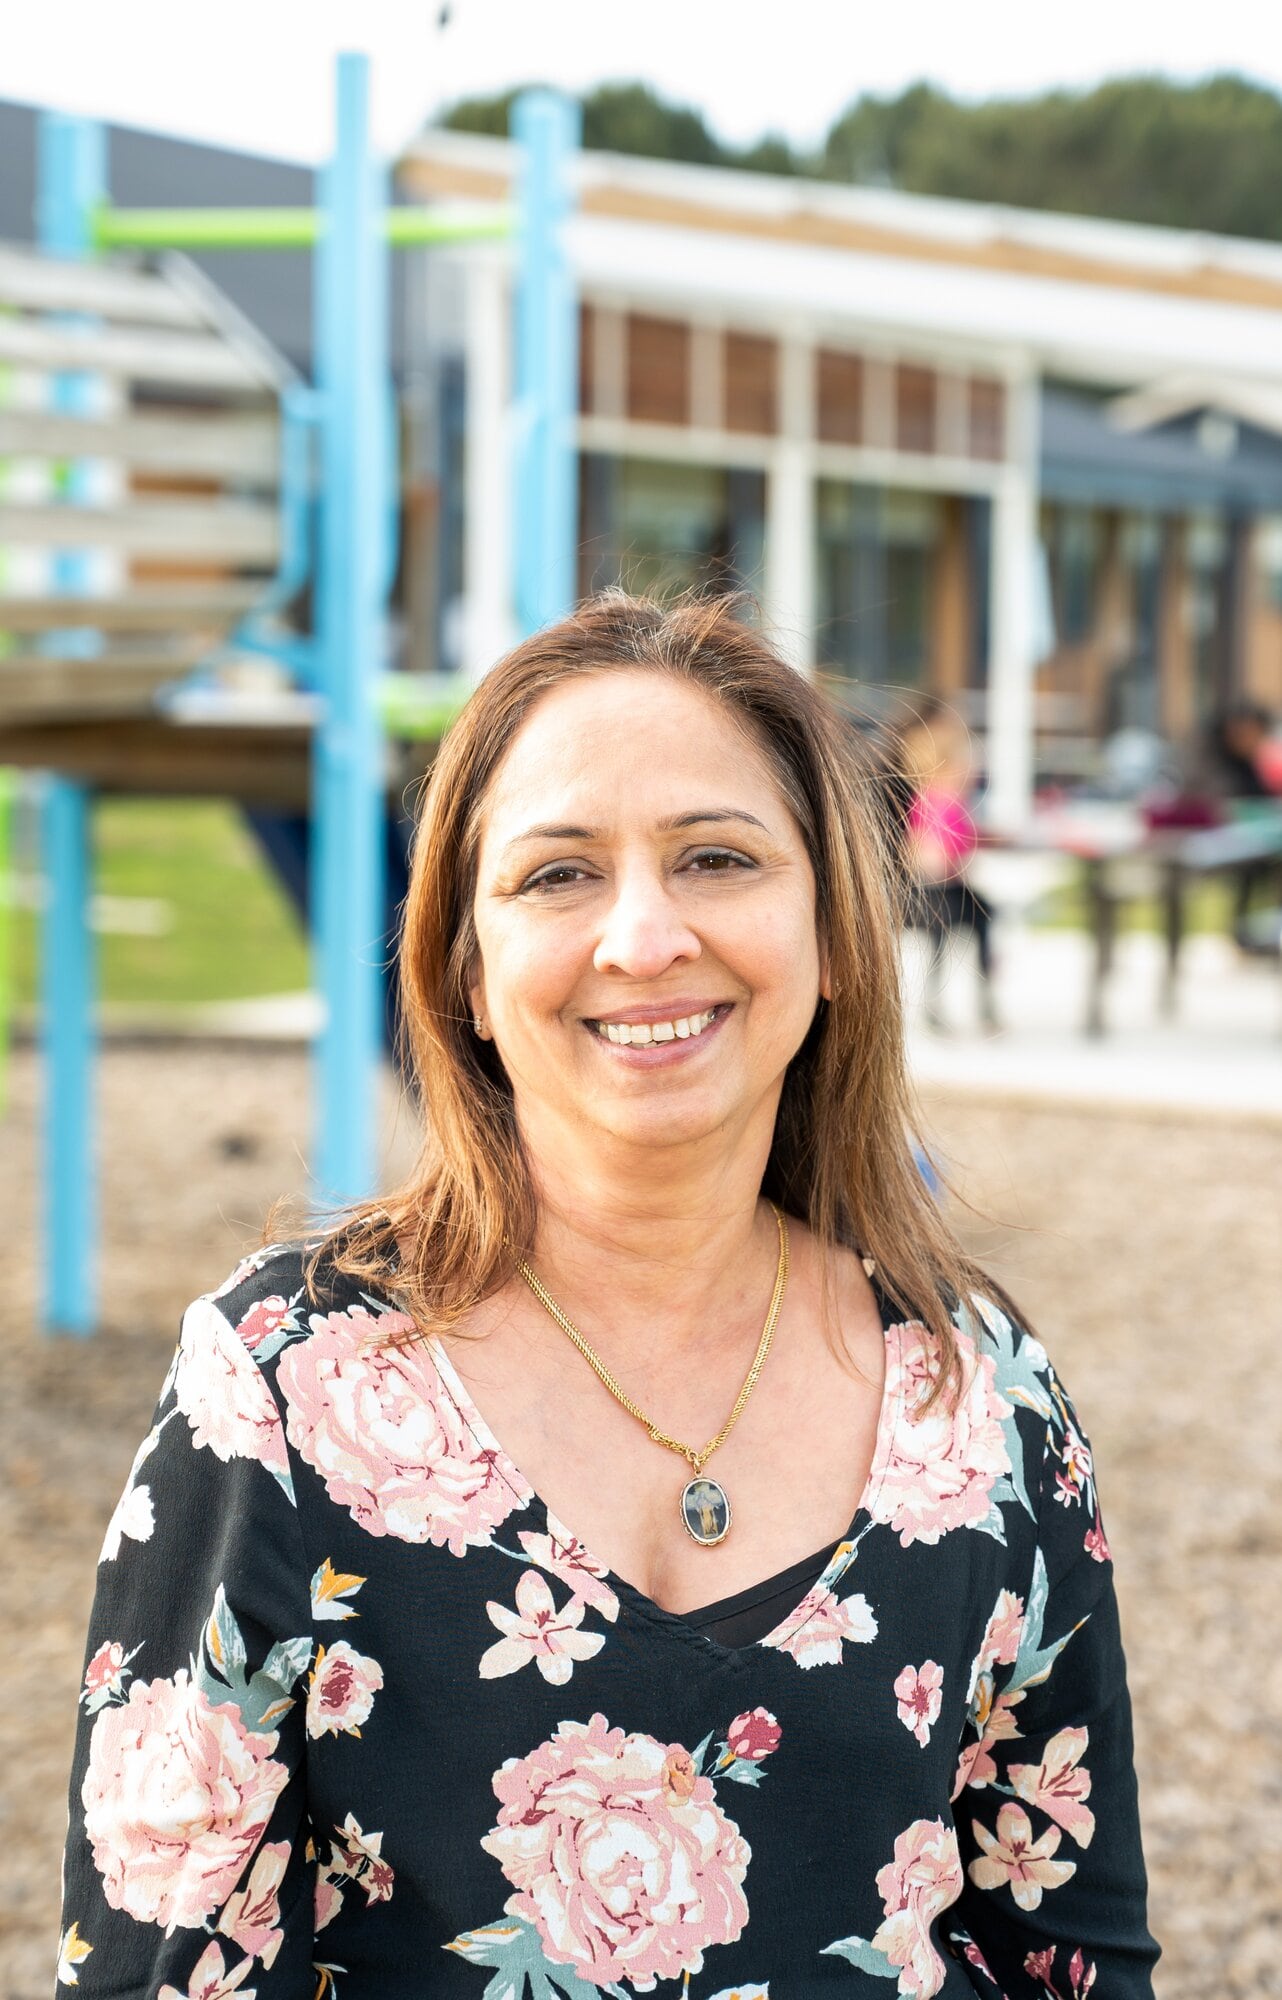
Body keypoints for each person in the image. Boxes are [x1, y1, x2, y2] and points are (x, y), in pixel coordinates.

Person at [57, 592, 1158, 1999]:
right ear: (460, 963)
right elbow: (165, 1969)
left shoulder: (981, 1397)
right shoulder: (281, 1387)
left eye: (714, 856)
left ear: (830, 932)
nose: (643, 938)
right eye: (558, 875)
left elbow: (1071, 1964)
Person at [898, 699, 999, 1033]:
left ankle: (984, 996)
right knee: (958, 925)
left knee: (985, 914)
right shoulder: (940, 803)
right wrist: (951, 864)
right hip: (931, 892)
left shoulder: (948, 802)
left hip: (945, 888)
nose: (972, 773)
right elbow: (927, 854)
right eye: (966, 766)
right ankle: (942, 1000)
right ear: (945, 767)